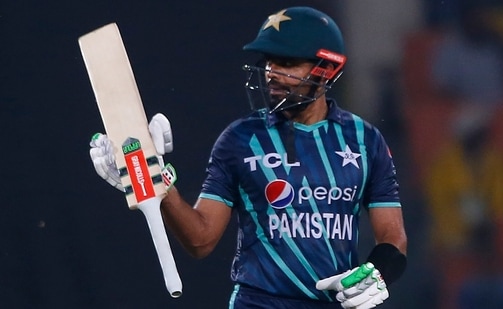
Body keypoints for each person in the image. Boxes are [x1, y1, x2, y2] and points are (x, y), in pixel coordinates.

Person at [89, 6, 407, 309]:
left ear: (325, 69)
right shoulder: (240, 139)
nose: (271, 73)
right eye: (270, 61)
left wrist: (379, 272)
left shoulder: (365, 140)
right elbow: (200, 240)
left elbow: (393, 236)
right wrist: (159, 186)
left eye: (286, 63)